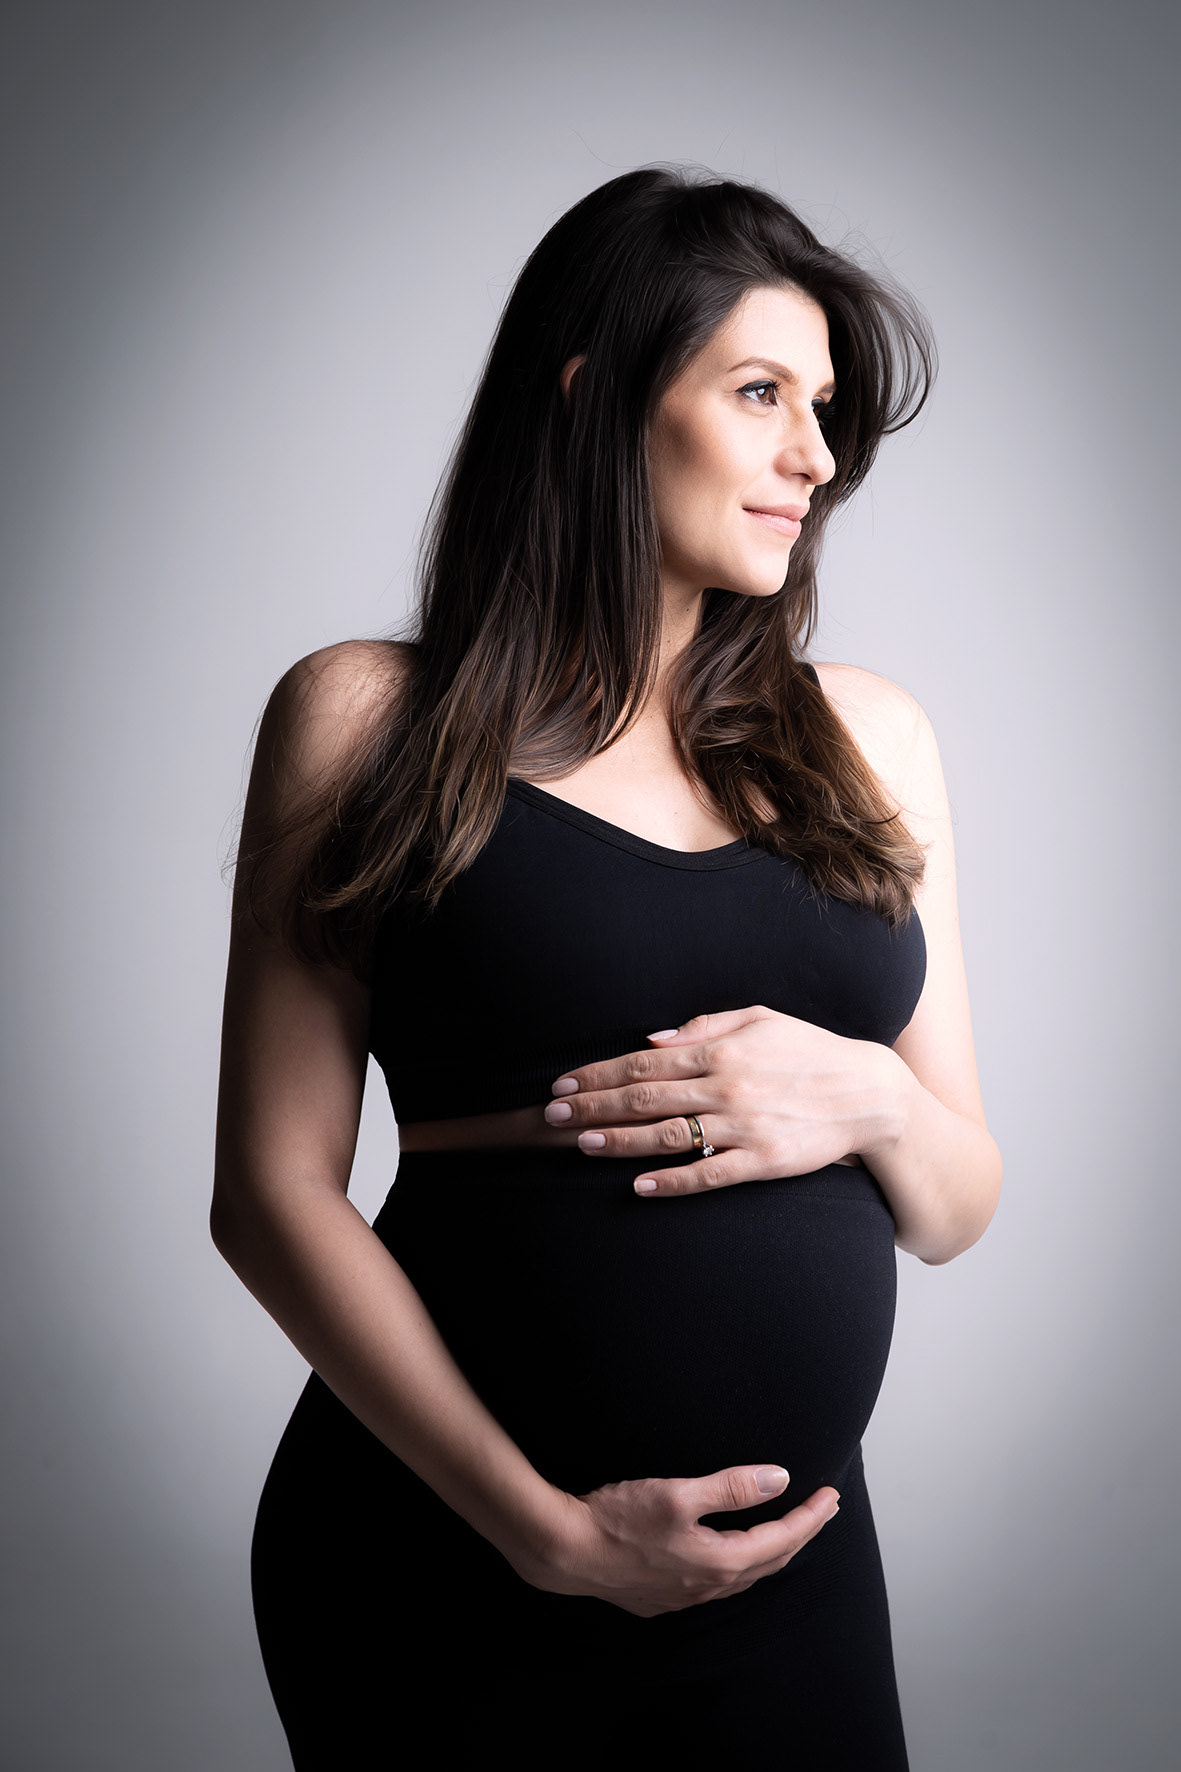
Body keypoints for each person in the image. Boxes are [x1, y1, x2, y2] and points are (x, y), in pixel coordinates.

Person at [212, 166, 1002, 1766]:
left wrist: (865, 1096)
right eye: (761, 394)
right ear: (595, 397)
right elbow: (271, 1192)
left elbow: (954, 1204)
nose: (814, 456)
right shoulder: (364, 719)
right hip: (447, 1559)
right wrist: (544, 1534)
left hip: (784, 1578)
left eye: (822, 409)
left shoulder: (870, 739)